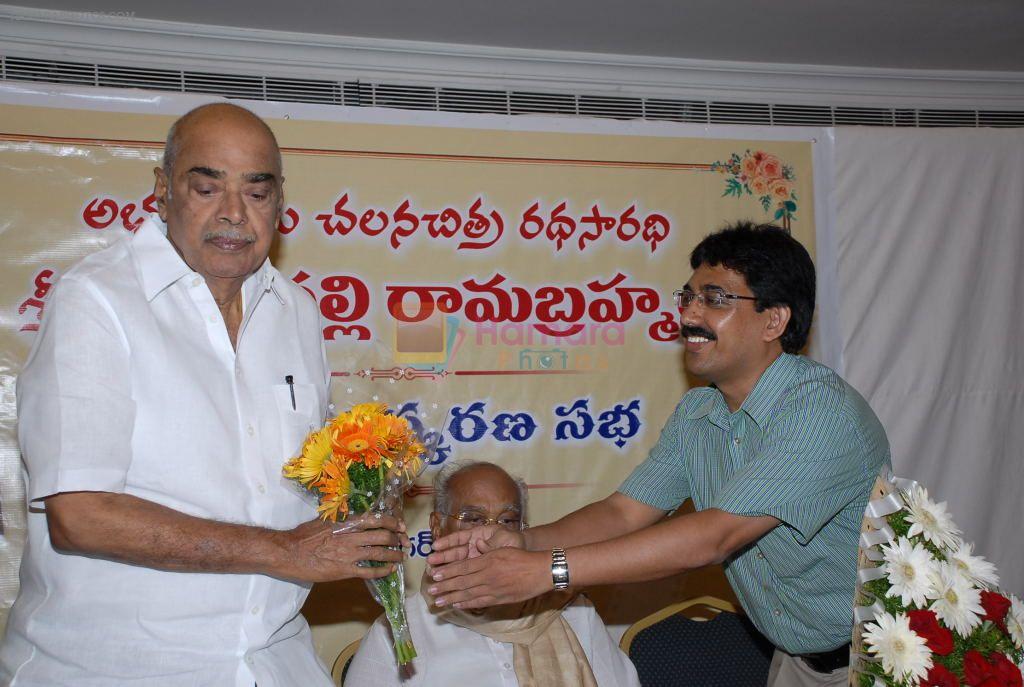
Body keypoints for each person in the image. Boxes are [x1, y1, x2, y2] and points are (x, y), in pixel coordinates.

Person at [0, 103, 406, 686]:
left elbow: (289, 493)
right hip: (114, 669)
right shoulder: (96, 301)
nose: (234, 214)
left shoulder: (299, 312)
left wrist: (358, 508)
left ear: (281, 202)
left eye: (256, 191)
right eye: (207, 186)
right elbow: (81, 515)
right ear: (163, 191)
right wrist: (287, 551)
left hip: (276, 663)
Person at [426, 222, 890, 687]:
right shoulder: (699, 411)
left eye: (715, 299)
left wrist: (549, 571)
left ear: (774, 321)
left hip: (886, 656)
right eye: (687, 297)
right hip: (797, 660)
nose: (689, 315)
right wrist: (524, 543)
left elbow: (715, 537)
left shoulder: (821, 411)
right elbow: (624, 512)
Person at [347, 461, 640, 686]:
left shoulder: (571, 610)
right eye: (473, 519)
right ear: (437, 527)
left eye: (507, 521)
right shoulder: (399, 631)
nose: (490, 534)